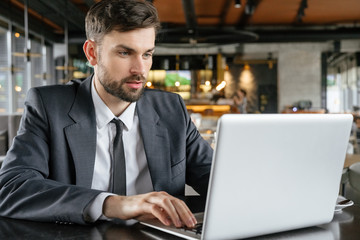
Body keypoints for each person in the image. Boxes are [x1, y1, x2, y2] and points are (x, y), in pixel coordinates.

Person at [0, 0, 213, 228]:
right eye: (124, 52)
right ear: (92, 53)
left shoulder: (171, 109)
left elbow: (218, 181)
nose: (140, 69)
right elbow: (12, 188)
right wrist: (115, 204)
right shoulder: (49, 106)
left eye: (147, 54)